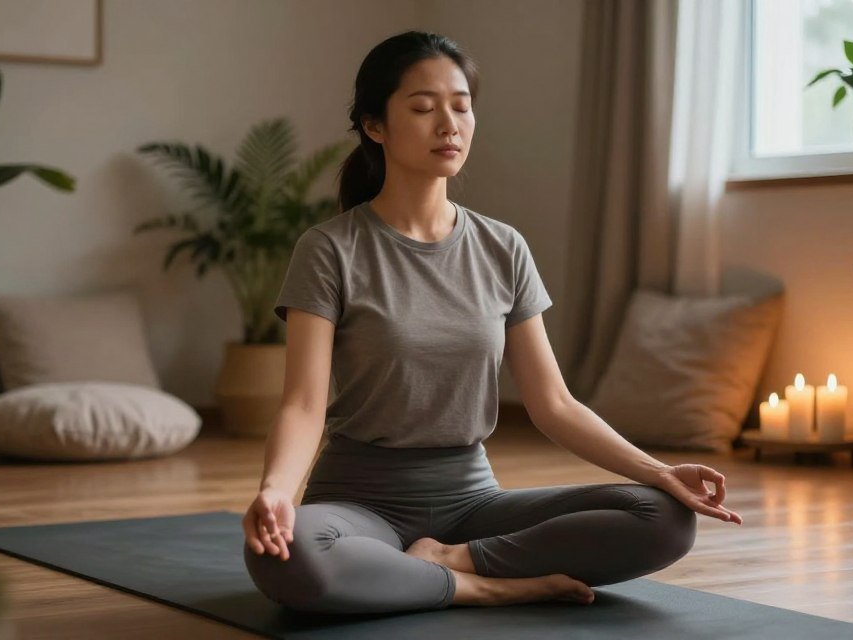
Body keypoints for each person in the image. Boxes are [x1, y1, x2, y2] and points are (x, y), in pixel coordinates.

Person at [242, 30, 742, 616]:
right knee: (287, 552)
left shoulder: (503, 247)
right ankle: (489, 586)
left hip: (471, 504)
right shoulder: (330, 249)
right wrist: (275, 490)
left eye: (461, 106)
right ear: (375, 126)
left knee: (665, 517)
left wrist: (660, 472)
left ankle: (453, 562)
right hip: (360, 504)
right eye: (424, 108)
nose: (448, 124)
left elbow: (553, 404)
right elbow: (303, 403)